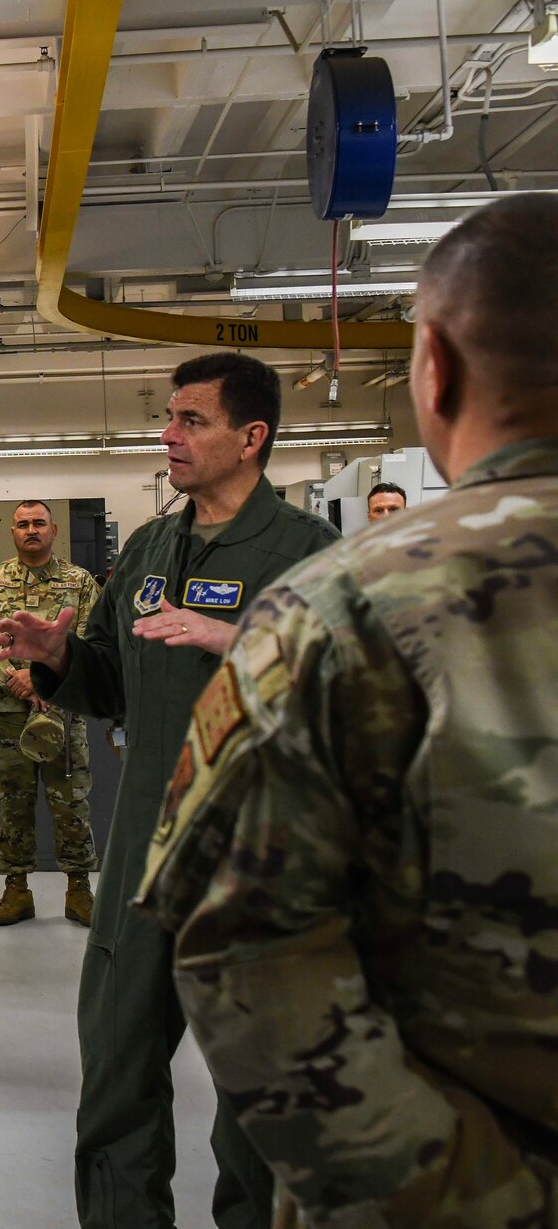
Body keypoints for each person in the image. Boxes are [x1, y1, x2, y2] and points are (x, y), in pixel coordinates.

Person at [138, 194, 558, 1226]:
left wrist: (454, 1196)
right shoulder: (204, 565)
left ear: (433, 369)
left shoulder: (345, 607)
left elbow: (238, 947)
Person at [0, 352, 339, 1229]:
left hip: (258, 854)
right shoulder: (149, 547)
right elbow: (109, 680)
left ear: (251, 438)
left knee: (255, 1093)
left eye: (191, 421)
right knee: (116, 1064)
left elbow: (358, 692)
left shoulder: (310, 555)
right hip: (145, 844)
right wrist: (57, 654)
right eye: (168, 418)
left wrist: (239, 639)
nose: (167, 436)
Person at [0, 500, 102, 927]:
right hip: (6, 709)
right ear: (12, 533)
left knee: (71, 801)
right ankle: (16, 890)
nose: (31, 530)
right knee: (12, 802)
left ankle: (79, 890)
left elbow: (88, 638)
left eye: (39, 523)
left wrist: (44, 681)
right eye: (23, 524)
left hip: (62, 709)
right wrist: (19, 680)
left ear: (54, 530)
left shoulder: (79, 581)